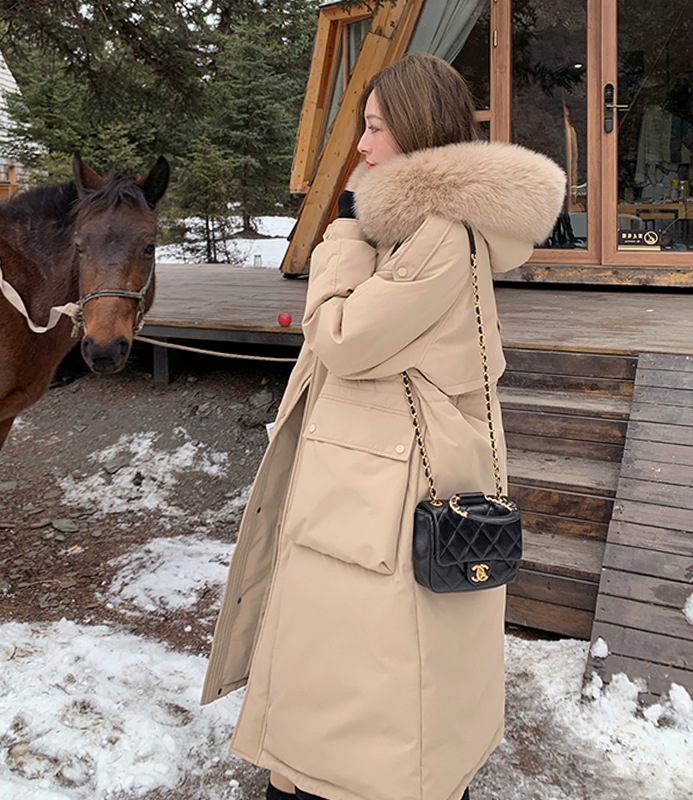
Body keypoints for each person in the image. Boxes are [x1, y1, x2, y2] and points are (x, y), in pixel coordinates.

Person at [202, 53, 566, 800]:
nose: (363, 147)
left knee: (369, 699)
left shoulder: (434, 231)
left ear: (414, 128)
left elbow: (339, 336)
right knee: (368, 692)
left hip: (380, 498)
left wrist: (341, 237)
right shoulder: (427, 230)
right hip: (373, 485)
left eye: (373, 127)